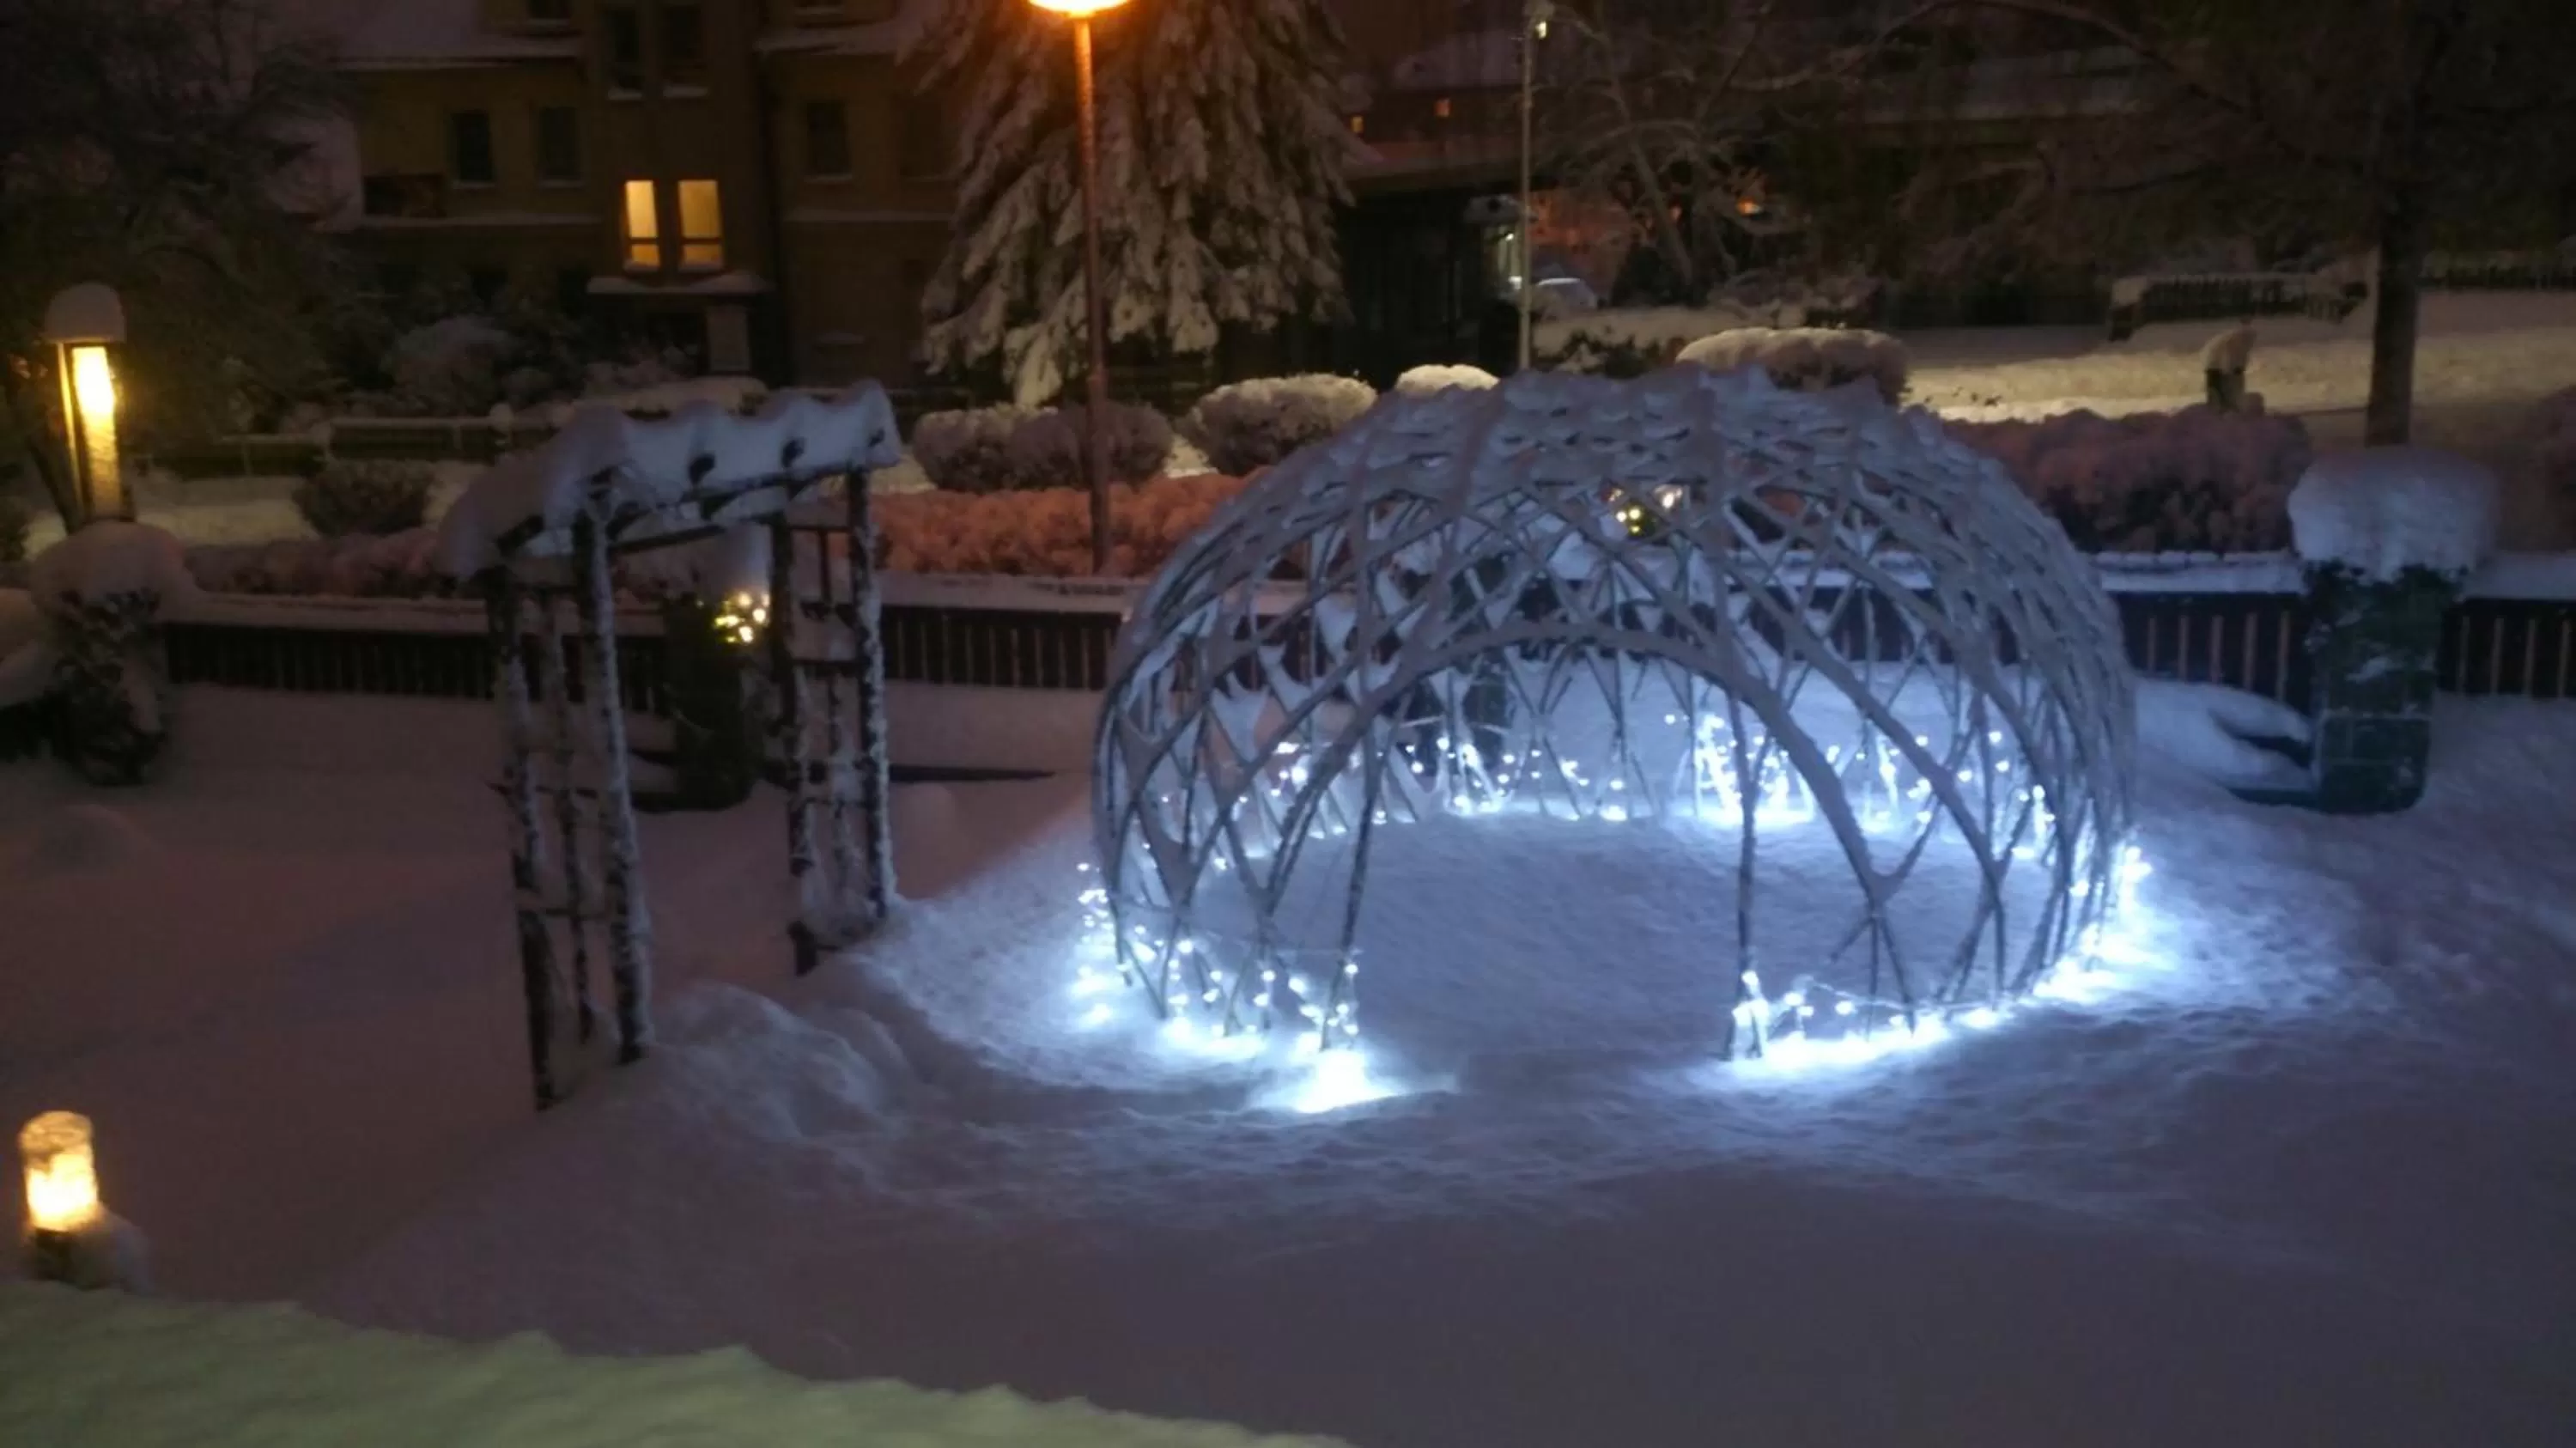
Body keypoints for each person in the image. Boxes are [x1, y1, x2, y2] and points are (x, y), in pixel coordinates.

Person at [2202, 319, 2257, 411]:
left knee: (2229, 391)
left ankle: (2229, 407)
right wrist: (2231, 374)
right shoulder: (2233, 342)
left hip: (2217, 364)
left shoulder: (2239, 342)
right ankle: (2221, 410)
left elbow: (2240, 361)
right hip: (2214, 366)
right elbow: (2228, 360)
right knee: (2219, 395)